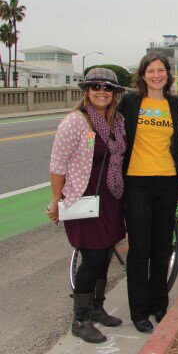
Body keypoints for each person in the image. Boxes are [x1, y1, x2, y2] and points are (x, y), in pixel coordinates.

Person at [46, 68, 126, 344]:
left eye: (107, 87)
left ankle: (96, 307)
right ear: (87, 91)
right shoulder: (76, 122)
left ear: (114, 93)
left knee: (104, 255)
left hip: (111, 197)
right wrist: (56, 200)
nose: (101, 92)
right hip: (83, 198)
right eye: (95, 87)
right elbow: (57, 165)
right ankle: (80, 319)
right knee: (92, 257)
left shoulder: (118, 122)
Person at [117, 51, 178, 333]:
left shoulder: (174, 103)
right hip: (136, 183)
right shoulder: (131, 101)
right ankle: (139, 311)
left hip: (167, 183)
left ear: (168, 75)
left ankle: (159, 304)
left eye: (161, 70)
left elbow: (176, 137)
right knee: (140, 249)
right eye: (151, 71)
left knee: (162, 247)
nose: (156, 75)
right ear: (143, 74)